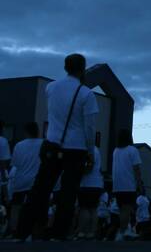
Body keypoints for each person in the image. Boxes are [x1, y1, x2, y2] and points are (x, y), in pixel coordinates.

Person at [19, 54, 98, 240]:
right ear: (83, 69)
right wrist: (90, 152)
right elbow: (90, 127)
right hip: (76, 148)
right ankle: (59, 232)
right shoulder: (86, 94)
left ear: (65, 67)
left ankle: (24, 230)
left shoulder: (51, 87)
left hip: (51, 143)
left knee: (40, 189)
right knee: (68, 192)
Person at [6, 123, 42, 238]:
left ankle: (14, 230)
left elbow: (15, 164)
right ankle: (34, 231)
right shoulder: (43, 144)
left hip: (21, 180)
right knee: (36, 207)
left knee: (16, 207)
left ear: (26, 132)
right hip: (36, 181)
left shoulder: (19, 145)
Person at [111, 129, 143, 241]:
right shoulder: (132, 150)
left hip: (117, 184)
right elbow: (136, 169)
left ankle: (126, 229)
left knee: (121, 209)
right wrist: (140, 184)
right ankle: (122, 232)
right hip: (128, 184)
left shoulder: (116, 150)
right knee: (126, 209)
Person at [76, 143, 103, 240]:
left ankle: (83, 231)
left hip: (87, 184)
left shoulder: (87, 150)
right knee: (93, 209)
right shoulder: (96, 149)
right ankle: (92, 232)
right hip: (97, 183)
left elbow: (89, 167)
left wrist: (77, 173)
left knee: (84, 208)